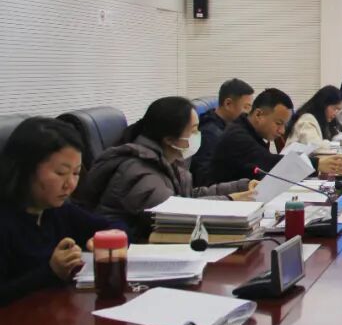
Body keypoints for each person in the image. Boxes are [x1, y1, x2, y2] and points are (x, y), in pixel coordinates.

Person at [78, 97, 256, 241]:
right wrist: (230, 200)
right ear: (169, 139)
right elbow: (176, 212)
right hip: (130, 251)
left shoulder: (170, 160)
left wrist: (240, 187)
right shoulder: (138, 171)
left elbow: (187, 197)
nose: (198, 135)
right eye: (194, 130)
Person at [0, 118, 126, 306]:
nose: (70, 184)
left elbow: (116, 226)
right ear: (26, 169)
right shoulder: (6, 222)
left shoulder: (57, 210)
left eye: (76, 173)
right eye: (60, 173)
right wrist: (50, 271)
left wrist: (106, 239)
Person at [209, 88, 342, 185]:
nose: (282, 131)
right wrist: (317, 164)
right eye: (278, 123)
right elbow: (269, 163)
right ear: (258, 114)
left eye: (284, 125)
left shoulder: (252, 132)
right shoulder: (237, 136)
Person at [189, 78, 254, 187]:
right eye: (246, 107)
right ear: (228, 104)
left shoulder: (232, 127)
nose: (248, 113)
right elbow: (204, 180)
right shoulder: (210, 134)